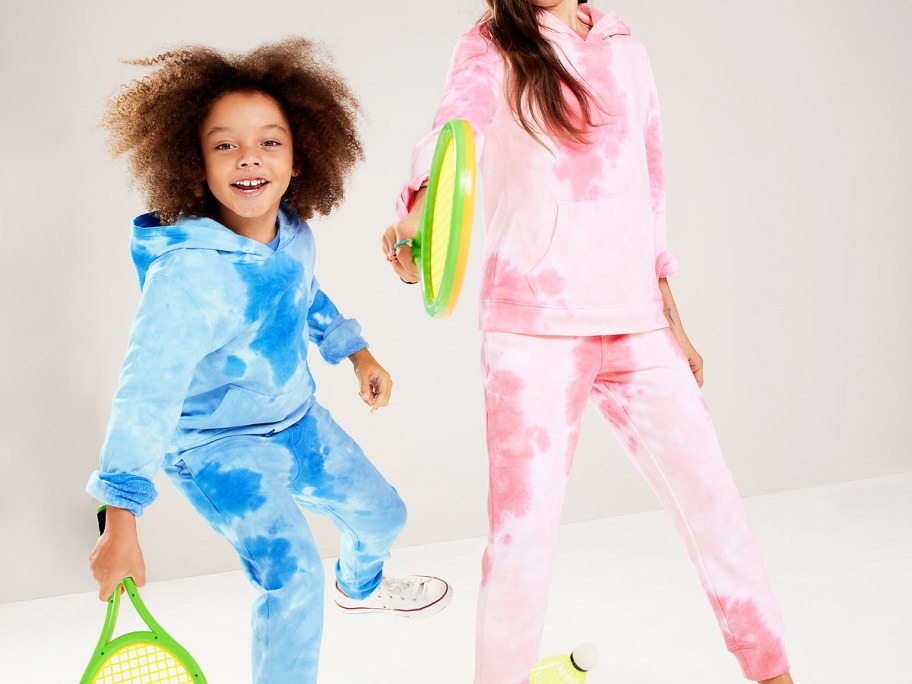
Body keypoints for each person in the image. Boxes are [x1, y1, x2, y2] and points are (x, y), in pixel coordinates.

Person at [383, 2, 793, 682]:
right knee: (522, 544)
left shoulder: (627, 51)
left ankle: (774, 671)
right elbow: (455, 134)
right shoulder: (493, 43)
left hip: (637, 324)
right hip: (533, 329)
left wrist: (671, 316)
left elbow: (649, 194)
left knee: (716, 509)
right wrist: (417, 219)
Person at [87, 38, 451, 684]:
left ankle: (360, 586)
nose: (249, 156)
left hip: (298, 422)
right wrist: (121, 520)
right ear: (194, 165)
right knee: (293, 578)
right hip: (216, 450)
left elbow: (302, 292)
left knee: (385, 516)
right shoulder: (187, 278)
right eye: (224, 144)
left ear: (300, 158)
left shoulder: (291, 231)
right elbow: (145, 393)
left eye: (270, 142)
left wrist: (357, 354)